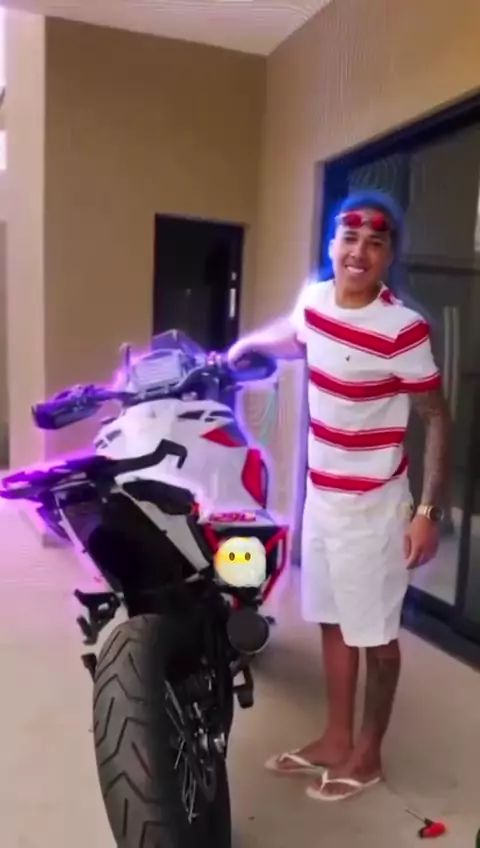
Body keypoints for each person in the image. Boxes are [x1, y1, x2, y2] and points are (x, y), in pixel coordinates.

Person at [227, 190, 452, 802]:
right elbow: (297, 335)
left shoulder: (403, 329)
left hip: (375, 507)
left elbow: (436, 416)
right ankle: (334, 737)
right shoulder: (316, 300)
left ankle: (368, 755)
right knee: (332, 618)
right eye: (349, 238)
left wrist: (427, 513)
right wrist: (250, 346)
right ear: (332, 245)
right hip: (322, 497)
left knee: (375, 635)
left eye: (375, 243)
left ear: (388, 258)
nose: (359, 252)